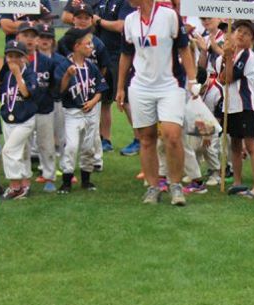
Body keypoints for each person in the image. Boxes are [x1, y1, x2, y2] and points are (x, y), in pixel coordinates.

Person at [116, 0, 198, 206]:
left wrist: (192, 79)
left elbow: (184, 49)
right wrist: (120, 87)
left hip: (170, 84)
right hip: (140, 86)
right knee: (146, 138)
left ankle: (175, 185)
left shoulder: (169, 15)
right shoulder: (130, 20)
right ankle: (153, 187)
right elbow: (126, 54)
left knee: (172, 135)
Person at [55, 27, 107, 193]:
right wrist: (67, 76)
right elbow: (60, 90)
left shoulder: (91, 66)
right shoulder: (64, 65)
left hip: (90, 112)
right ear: (77, 46)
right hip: (72, 113)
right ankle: (66, 181)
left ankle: (86, 180)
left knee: (89, 147)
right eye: (88, 43)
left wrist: (93, 102)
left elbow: (100, 88)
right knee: (71, 146)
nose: (91, 46)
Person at [220, 19, 254, 198]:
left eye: (246, 33)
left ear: (252, 39)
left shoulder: (247, 56)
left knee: (250, 145)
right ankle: (237, 182)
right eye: (238, 31)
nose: (241, 35)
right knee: (235, 144)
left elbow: (229, 77)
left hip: (245, 106)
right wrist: (227, 57)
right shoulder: (233, 55)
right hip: (232, 106)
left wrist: (228, 57)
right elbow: (222, 78)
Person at [0, 40, 38, 200]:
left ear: (24, 58)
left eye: (17, 56)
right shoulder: (7, 74)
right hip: (9, 120)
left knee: (9, 151)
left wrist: (17, 74)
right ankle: (25, 184)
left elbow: (25, 93)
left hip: (25, 120)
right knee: (22, 152)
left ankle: (15, 187)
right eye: (10, 56)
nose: (13, 59)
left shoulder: (29, 74)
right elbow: (2, 93)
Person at [91, 0, 138, 156]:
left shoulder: (124, 2)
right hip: (102, 57)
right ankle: (106, 139)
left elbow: (121, 26)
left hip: (119, 56)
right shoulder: (102, 2)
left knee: (125, 100)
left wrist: (99, 21)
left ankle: (139, 138)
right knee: (104, 100)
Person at [15, 22, 57, 193]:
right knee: (24, 146)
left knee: (46, 145)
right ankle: (25, 178)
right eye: (26, 35)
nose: (30, 40)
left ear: (38, 40)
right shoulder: (13, 62)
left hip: (43, 109)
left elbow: (53, 85)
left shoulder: (47, 62)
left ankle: (49, 176)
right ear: (18, 37)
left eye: (33, 36)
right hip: (23, 111)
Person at [35, 23, 68, 188]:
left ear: (53, 40)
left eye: (48, 37)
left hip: (58, 102)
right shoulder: (30, 59)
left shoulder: (60, 60)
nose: (45, 40)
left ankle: (65, 168)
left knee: (62, 137)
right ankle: (44, 169)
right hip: (39, 104)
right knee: (42, 140)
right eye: (42, 36)